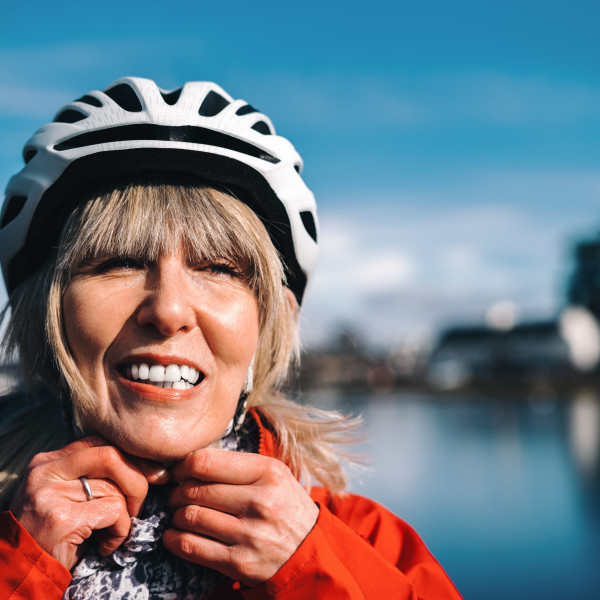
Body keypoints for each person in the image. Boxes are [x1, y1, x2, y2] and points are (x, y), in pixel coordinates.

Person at [0, 77, 463, 599]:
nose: (169, 310)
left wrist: (313, 574)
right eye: (118, 262)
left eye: (219, 268)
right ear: (46, 314)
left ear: (266, 324)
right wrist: (16, 568)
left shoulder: (372, 548)